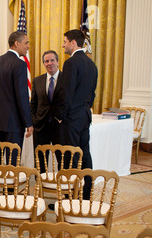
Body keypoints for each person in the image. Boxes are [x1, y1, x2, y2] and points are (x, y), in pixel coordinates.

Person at [58, 29, 98, 199]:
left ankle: (69, 199)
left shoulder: (71, 63)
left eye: (65, 41)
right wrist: (85, 109)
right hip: (84, 116)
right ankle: (87, 194)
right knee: (85, 156)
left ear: (73, 42)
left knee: (70, 159)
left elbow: (66, 93)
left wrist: (60, 115)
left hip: (71, 119)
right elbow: (93, 93)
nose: (63, 45)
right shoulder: (91, 64)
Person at [0, 31, 33, 166]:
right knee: (12, 163)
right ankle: (11, 188)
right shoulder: (19, 64)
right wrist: (28, 122)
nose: (28, 46)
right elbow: (22, 96)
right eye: (26, 43)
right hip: (13, 123)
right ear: (16, 43)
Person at [30, 50, 64, 172]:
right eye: (46, 61)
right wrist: (34, 120)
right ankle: (40, 186)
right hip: (41, 126)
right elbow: (33, 103)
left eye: (52, 60)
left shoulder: (66, 79)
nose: (49, 63)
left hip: (60, 126)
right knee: (40, 159)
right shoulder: (37, 80)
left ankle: (63, 186)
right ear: (44, 64)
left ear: (58, 62)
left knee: (62, 159)